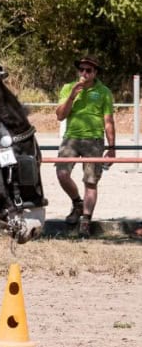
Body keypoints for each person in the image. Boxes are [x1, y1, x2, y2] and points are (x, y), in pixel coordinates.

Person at [55, 55, 115, 237]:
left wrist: (112, 148)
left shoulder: (104, 92)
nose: (84, 73)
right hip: (71, 138)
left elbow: (108, 121)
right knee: (62, 173)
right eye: (81, 70)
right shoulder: (68, 88)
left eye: (88, 70)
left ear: (95, 73)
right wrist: (72, 95)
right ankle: (77, 203)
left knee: (90, 182)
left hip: (94, 141)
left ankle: (86, 221)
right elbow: (60, 116)